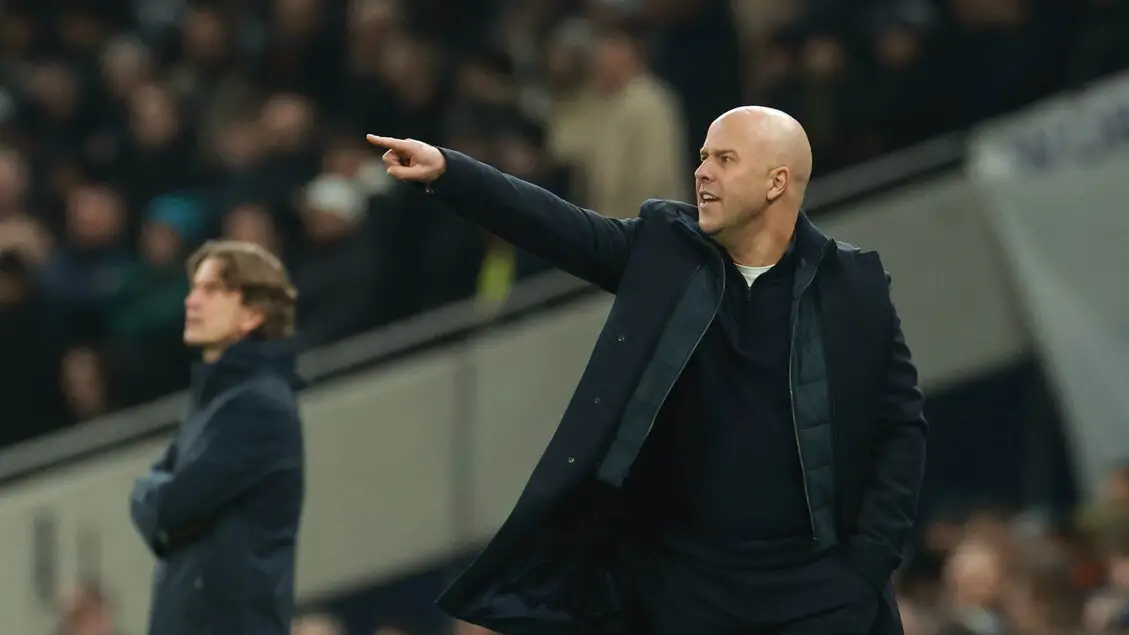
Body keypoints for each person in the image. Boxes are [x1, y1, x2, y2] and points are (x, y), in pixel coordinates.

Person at [367, 105, 927, 635]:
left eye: (724, 159)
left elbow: (900, 427)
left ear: (776, 182)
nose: (702, 172)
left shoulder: (853, 287)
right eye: (703, 157)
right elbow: (560, 227)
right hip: (682, 591)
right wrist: (452, 173)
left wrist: (866, 567)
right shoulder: (667, 249)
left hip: (812, 595)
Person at [129, 240, 307, 635]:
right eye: (194, 288)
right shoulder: (214, 403)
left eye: (211, 290)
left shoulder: (256, 405)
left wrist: (156, 500)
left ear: (252, 314)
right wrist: (155, 498)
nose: (191, 301)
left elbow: (170, 505)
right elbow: (153, 494)